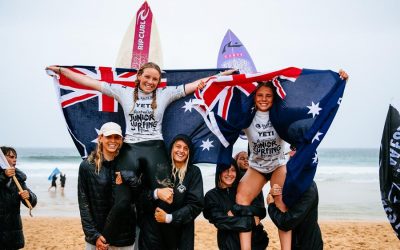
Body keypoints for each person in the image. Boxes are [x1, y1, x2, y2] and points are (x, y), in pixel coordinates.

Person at [46, 63, 234, 247]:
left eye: (155, 79)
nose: (150, 82)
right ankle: (104, 240)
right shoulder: (123, 91)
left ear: (159, 82)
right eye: (147, 77)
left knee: (168, 198)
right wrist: (62, 72)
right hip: (130, 150)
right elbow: (90, 82)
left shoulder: (165, 93)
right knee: (122, 201)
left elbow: (196, 84)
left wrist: (221, 75)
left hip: (155, 149)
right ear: (138, 76)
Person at [235, 70, 349, 250]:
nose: (264, 99)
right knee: (241, 197)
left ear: (274, 98)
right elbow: (224, 117)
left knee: (281, 201)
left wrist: (339, 82)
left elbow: (311, 111)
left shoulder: (282, 115)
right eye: (260, 95)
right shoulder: (245, 117)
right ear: (254, 97)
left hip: (278, 165)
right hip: (257, 168)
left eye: (268, 96)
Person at [77, 122, 136, 250]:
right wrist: (93, 235)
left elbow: (138, 197)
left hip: (124, 239)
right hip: (97, 240)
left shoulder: (130, 165)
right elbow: (84, 204)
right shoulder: (87, 166)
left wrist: (130, 178)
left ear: (121, 140)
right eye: (109, 137)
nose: (113, 141)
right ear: (100, 138)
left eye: (117, 137)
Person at [146, 134, 204, 250]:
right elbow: (143, 195)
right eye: (178, 146)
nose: (181, 151)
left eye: (185, 148)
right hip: (156, 232)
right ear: (172, 148)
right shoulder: (158, 167)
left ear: (189, 152)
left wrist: (169, 217)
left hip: (182, 233)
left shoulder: (193, 172)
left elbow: (196, 205)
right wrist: (157, 193)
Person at [203, 159, 269, 250]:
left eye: (233, 170)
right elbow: (219, 220)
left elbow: (261, 211)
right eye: (225, 170)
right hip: (228, 244)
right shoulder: (211, 195)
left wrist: (236, 209)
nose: (230, 174)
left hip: (255, 242)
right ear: (219, 172)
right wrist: (251, 221)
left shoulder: (244, 190)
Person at [0, 146, 37, 249]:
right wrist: (4, 175)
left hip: (13, 234)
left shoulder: (18, 179)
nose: (14, 159)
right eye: (11, 157)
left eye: (15, 157)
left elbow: (32, 202)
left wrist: (29, 196)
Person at [267, 181, 323, 250]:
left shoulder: (309, 189)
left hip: (309, 245)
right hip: (296, 241)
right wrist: (272, 193)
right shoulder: (293, 183)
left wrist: (271, 206)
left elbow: (286, 223)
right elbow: (282, 200)